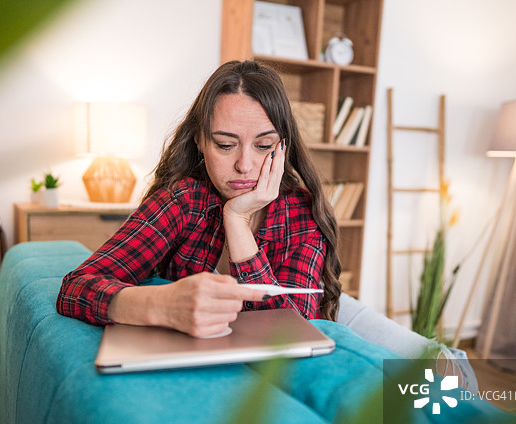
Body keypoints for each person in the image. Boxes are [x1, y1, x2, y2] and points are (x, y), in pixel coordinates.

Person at [57, 60, 342, 338]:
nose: (244, 165)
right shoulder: (184, 200)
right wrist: (160, 305)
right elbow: (75, 288)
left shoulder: (302, 213)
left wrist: (238, 221)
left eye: (263, 145)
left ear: (282, 146)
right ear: (200, 141)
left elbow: (293, 334)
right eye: (225, 145)